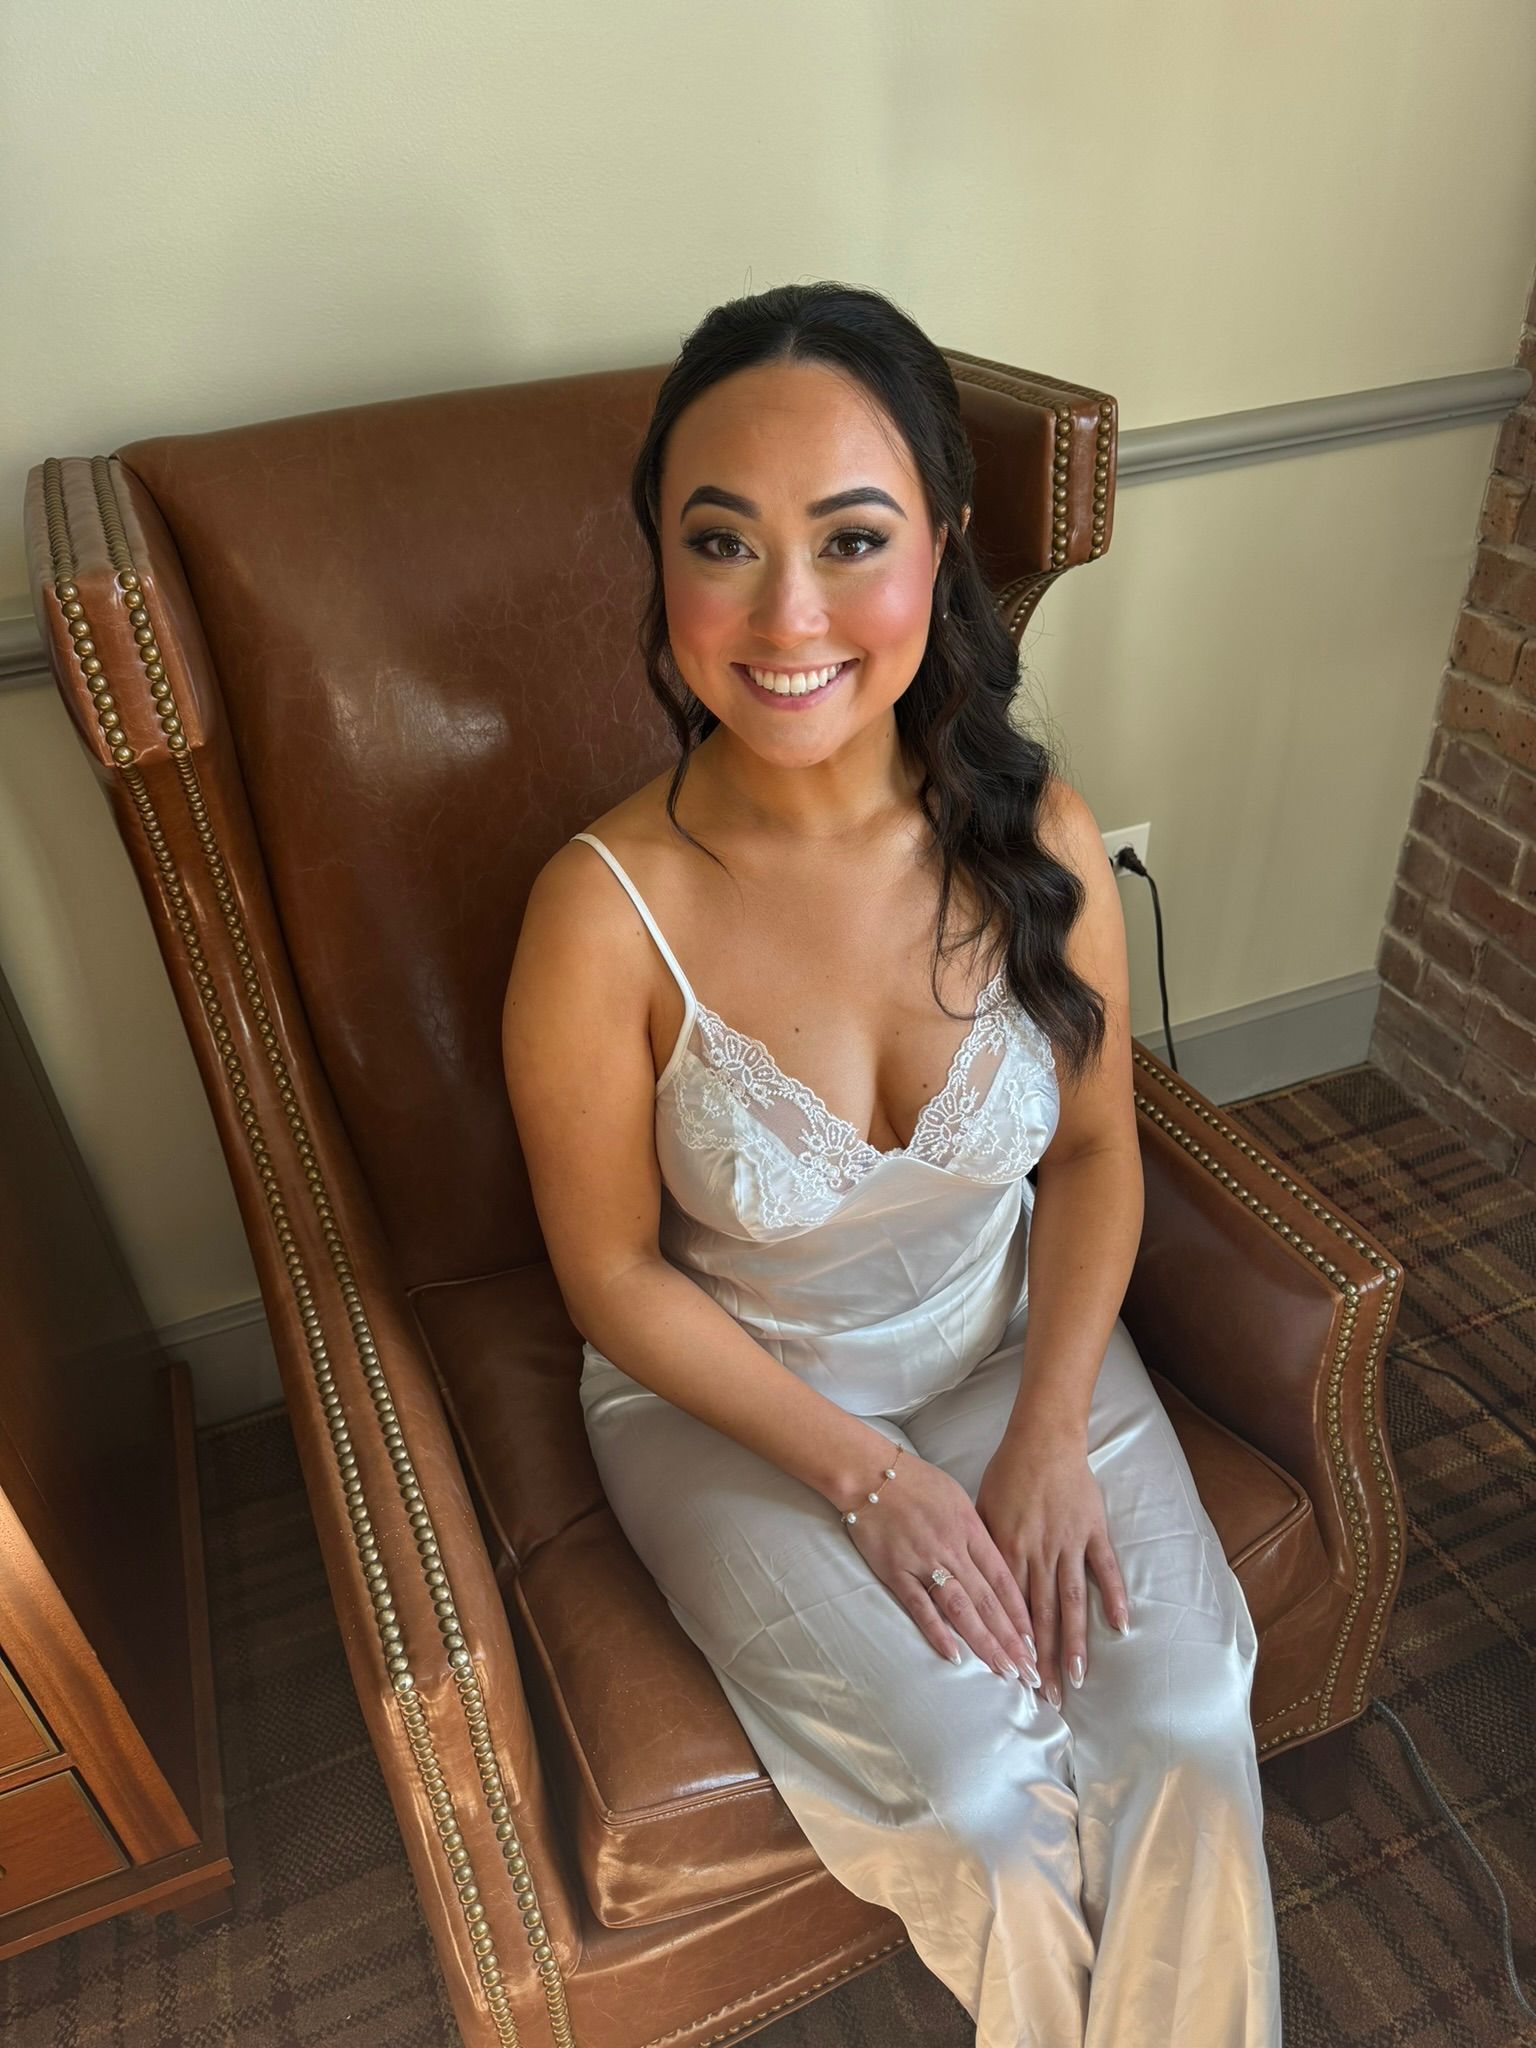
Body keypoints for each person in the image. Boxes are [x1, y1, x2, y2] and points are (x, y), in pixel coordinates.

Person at [502, 280, 1284, 2047]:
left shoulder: (1044, 839)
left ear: (941, 544)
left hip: (1015, 1346)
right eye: (724, 542)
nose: (788, 615)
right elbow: (613, 1277)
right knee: (977, 1808)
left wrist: (1051, 1431)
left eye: (851, 538)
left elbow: (1092, 1155)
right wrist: (871, 1481)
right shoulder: (600, 917)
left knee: (1182, 1721)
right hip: (737, 1408)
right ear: (662, 565)